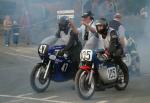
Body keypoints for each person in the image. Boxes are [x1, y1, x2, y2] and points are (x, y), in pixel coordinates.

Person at [94, 18, 128, 90]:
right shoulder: (98, 33)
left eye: (101, 26)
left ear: (105, 26)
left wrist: (107, 53)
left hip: (116, 49)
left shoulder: (112, 32)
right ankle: (99, 81)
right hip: (105, 50)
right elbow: (92, 41)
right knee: (96, 60)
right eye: (98, 26)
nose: (99, 28)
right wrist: (86, 48)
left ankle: (125, 75)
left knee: (116, 57)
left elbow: (113, 44)